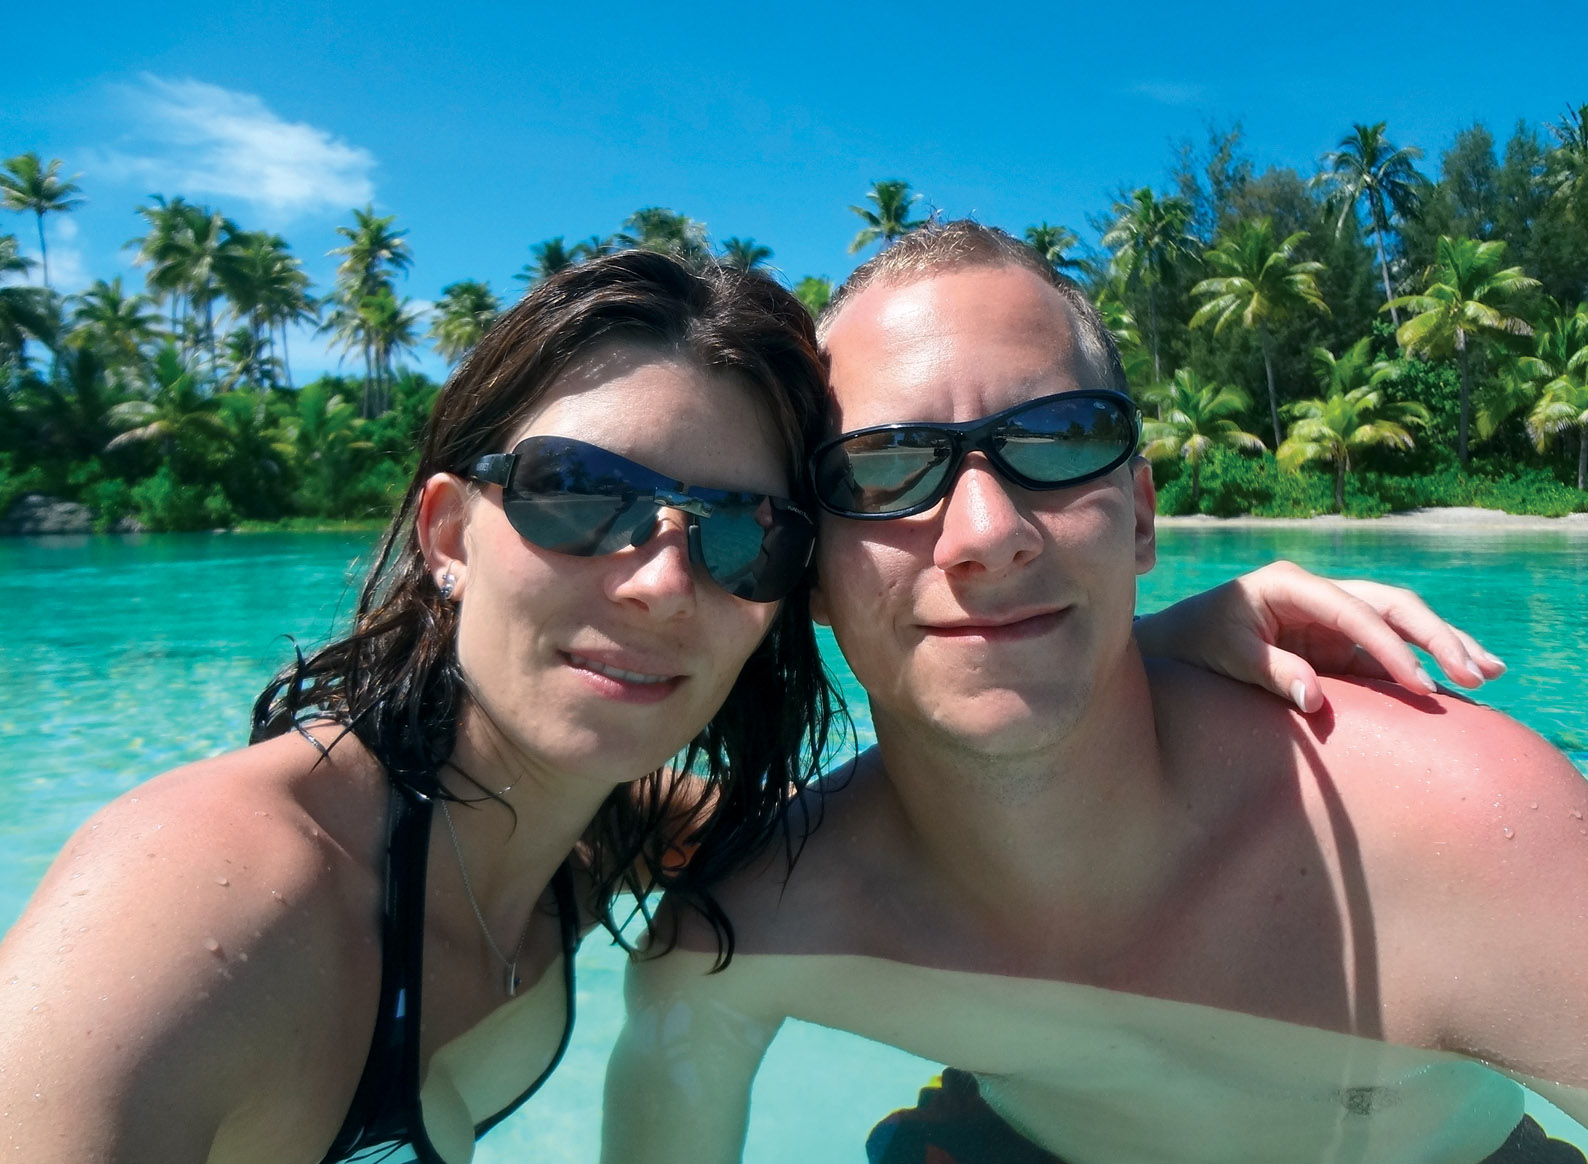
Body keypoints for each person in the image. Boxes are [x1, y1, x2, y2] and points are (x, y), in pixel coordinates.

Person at [0, 250, 1498, 1164]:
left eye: (735, 531)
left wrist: (1118, 647)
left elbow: (954, 806)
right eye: (585, 498)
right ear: (452, 534)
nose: (661, 584)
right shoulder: (207, 902)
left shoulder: (587, 828)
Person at [601, 224, 1588, 1164]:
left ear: (1137, 519)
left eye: (1057, 437)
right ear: (811, 571)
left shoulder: (1453, 833)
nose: (987, 531)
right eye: (884, 470)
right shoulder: (755, 925)